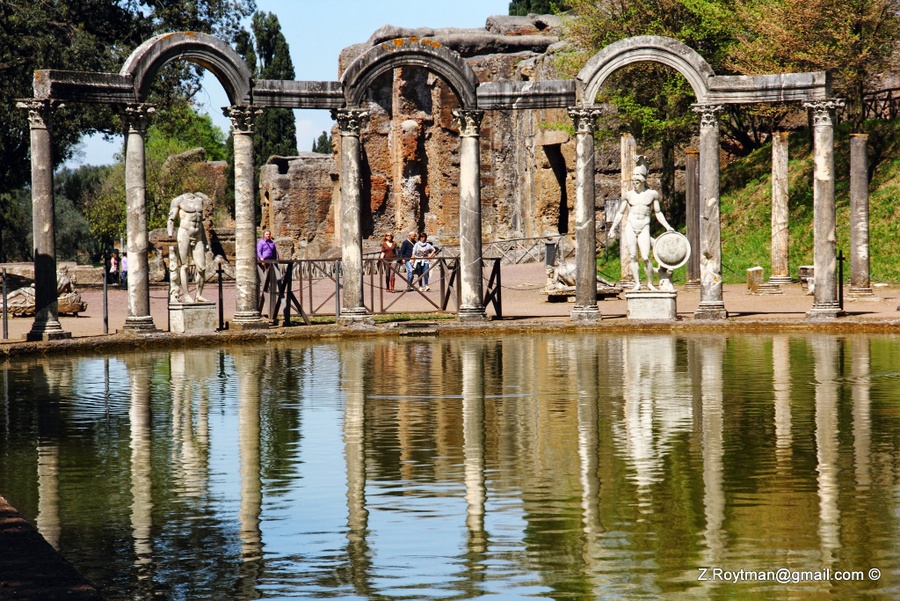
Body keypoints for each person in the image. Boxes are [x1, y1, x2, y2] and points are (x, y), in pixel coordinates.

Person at [608, 156, 674, 291]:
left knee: (645, 257)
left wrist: (667, 226)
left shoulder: (652, 194)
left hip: (644, 226)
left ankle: (649, 283)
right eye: (633, 182)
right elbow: (620, 213)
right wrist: (612, 228)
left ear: (643, 181)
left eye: (637, 182)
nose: (635, 184)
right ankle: (637, 283)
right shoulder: (628, 195)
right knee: (632, 256)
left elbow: (658, 212)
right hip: (631, 227)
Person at [167, 192, 209, 303]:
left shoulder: (199, 200)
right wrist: (170, 233)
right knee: (184, 265)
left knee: (202, 267)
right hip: (184, 233)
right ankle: (186, 295)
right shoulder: (178, 200)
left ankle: (198, 295)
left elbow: (201, 222)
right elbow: (171, 218)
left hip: (198, 234)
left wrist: (206, 240)